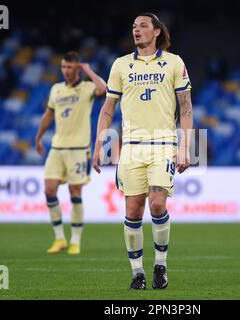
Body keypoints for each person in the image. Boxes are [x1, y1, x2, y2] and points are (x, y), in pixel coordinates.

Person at [92, 13, 193, 290]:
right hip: (132, 148)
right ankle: (137, 272)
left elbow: (185, 107)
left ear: (157, 31)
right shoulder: (121, 65)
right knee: (133, 211)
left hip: (163, 144)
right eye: (134, 27)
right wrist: (100, 144)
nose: (137, 30)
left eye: (143, 26)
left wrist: (185, 147)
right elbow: (108, 109)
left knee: (158, 204)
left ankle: (160, 265)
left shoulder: (174, 62)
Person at [35, 51, 106, 255]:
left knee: (75, 192)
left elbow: (104, 89)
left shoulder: (87, 88)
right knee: (49, 190)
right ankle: (59, 238)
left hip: (79, 149)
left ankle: (75, 240)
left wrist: (88, 70)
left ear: (77, 68)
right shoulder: (56, 89)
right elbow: (48, 115)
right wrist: (38, 137)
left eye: (70, 67)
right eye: (63, 67)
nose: (66, 71)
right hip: (57, 148)